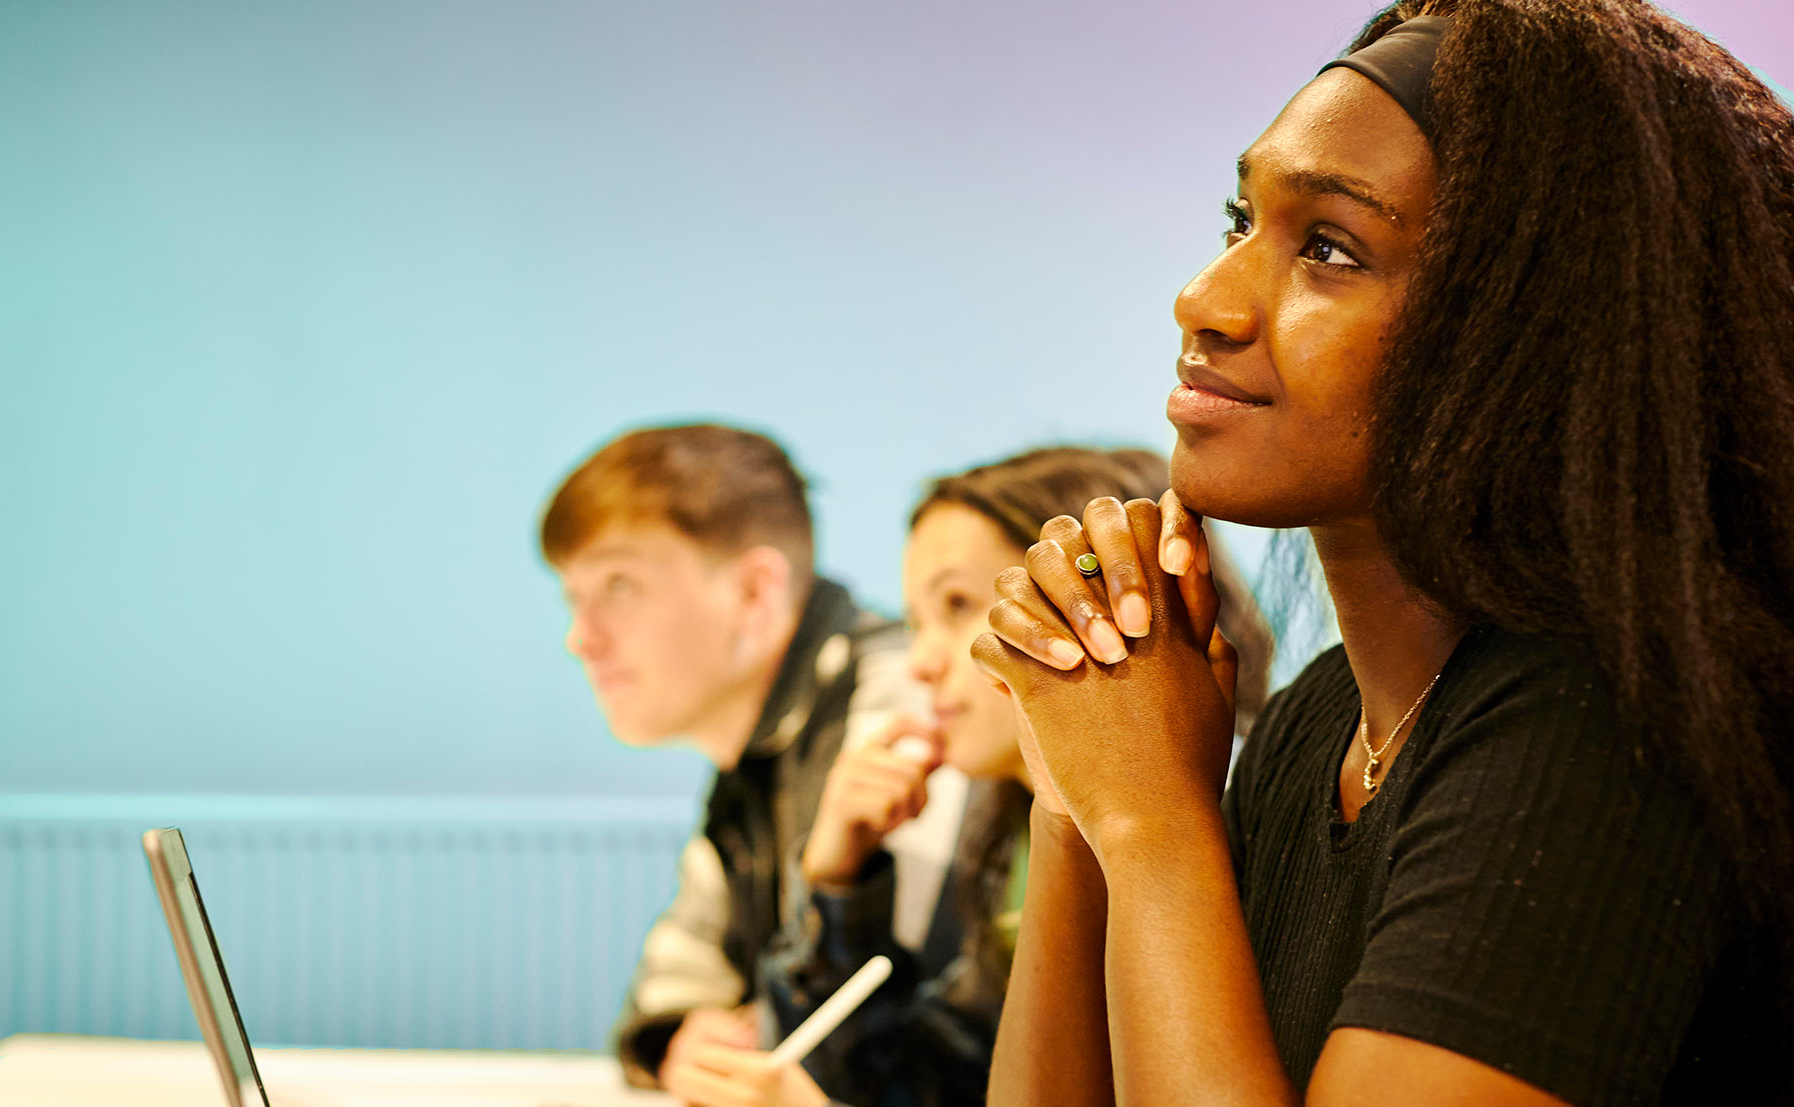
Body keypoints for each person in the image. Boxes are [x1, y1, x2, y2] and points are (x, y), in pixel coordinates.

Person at [975, 3, 1794, 1104]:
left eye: (1327, 248)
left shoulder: (1607, 732)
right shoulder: (1323, 722)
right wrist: (1077, 795)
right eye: (1237, 218)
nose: (1201, 299)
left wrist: (1152, 824)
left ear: (1534, 328)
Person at [682, 447, 1274, 1107]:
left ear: (1096, 598)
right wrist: (838, 879)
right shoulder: (1010, 832)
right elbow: (926, 1080)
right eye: (915, 620)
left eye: (958, 603)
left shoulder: (1233, 813)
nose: (922, 662)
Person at [539, 423, 964, 1094]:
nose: (579, 638)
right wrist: (680, 1038)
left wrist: (736, 1034)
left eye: (618, 585)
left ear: (754, 593)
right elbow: (673, 983)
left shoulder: (900, 710)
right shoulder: (752, 749)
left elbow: (890, 1031)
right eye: (572, 595)